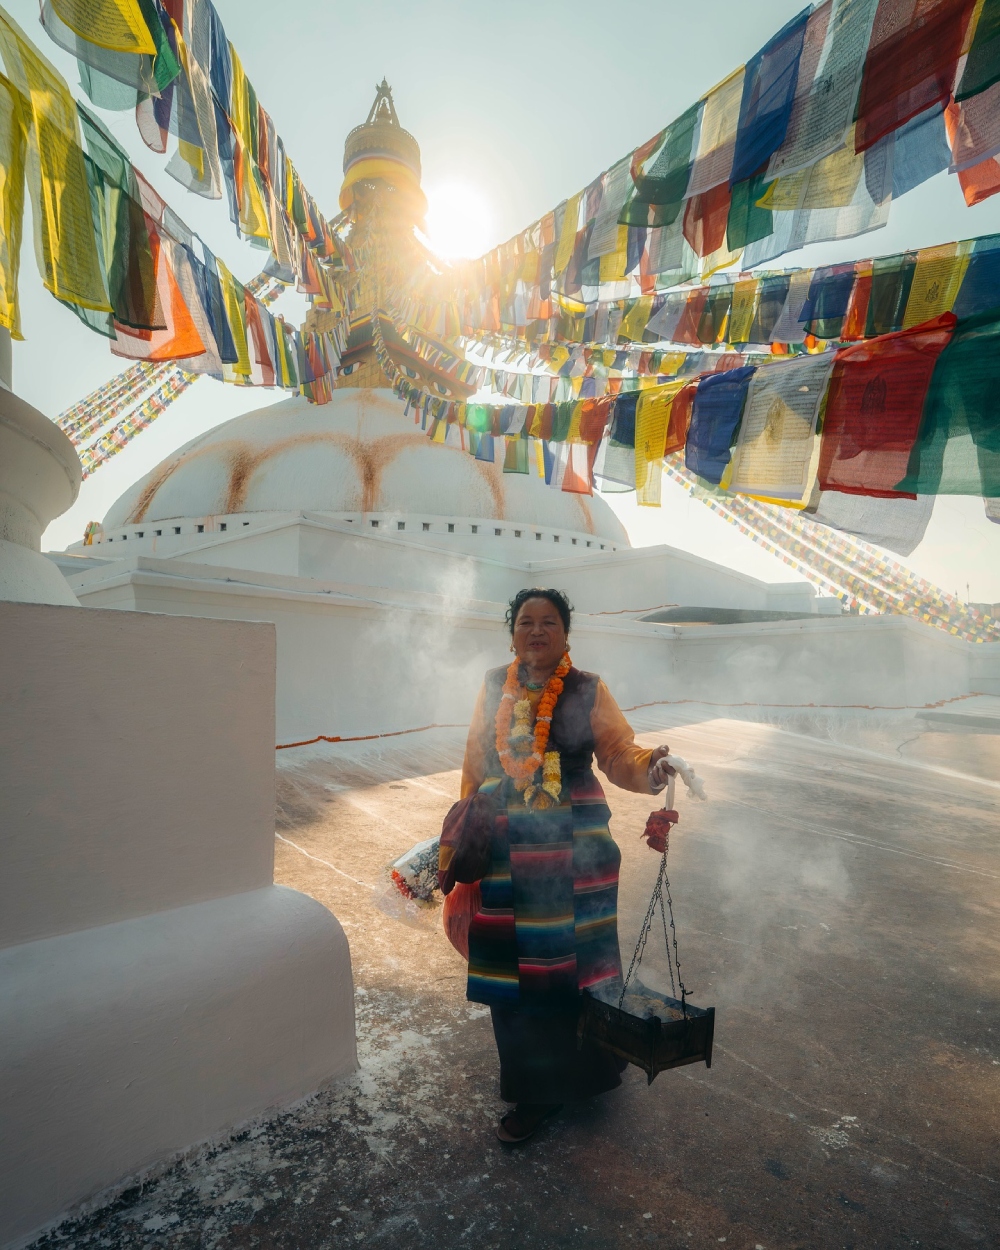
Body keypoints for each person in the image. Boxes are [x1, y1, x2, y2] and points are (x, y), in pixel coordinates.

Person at [448, 587, 674, 1145]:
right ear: (512, 633)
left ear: (566, 634)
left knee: (580, 967)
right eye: (526, 622)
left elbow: (621, 754)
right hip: (505, 848)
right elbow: (477, 757)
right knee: (517, 973)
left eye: (549, 622)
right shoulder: (491, 685)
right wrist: (462, 836)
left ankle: (591, 1072)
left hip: (576, 851)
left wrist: (655, 769)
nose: (537, 631)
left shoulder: (587, 688)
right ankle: (536, 1090)